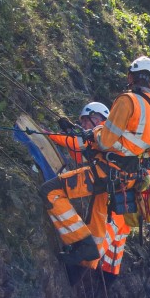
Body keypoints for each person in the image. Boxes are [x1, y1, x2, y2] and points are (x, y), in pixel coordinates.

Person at [91, 55, 150, 277]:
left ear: (131, 76)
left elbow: (105, 141)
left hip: (110, 170)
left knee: (103, 219)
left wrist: (95, 132)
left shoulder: (128, 101)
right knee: (118, 230)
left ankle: (87, 265)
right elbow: (148, 149)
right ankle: (108, 274)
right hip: (134, 175)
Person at [43, 102, 110, 282]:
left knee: (51, 191)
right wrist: (71, 131)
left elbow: (77, 142)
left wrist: (50, 135)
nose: (85, 126)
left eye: (87, 122)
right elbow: (79, 150)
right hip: (115, 183)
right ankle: (84, 265)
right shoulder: (106, 135)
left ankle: (83, 248)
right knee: (97, 222)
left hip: (106, 177)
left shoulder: (103, 131)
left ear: (96, 118)